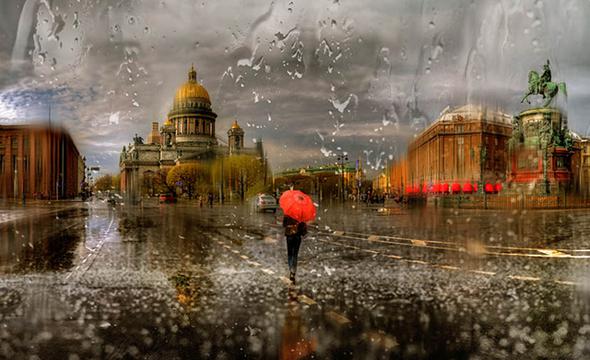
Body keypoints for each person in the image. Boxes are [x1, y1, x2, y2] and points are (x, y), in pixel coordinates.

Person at [282, 215, 307, 284]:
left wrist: (290, 226)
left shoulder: (287, 214)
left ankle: (291, 269)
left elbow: (284, 224)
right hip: (297, 237)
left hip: (289, 236)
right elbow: (303, 228)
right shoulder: (301, 215)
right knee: (295, 254)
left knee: (290, 254)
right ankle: (293, 271)